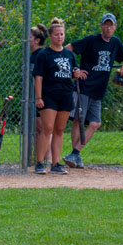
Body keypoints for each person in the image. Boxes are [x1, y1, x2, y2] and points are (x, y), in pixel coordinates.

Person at [63, 12, 123, 169]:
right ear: (101, 26)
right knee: (78, 121)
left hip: (98, 91)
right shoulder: (91, 40)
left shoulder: (115, 43)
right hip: (84, 87)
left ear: (114, 27)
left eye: (111, 25)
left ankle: (74, 153)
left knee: (95, 123)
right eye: (105, 24)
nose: (108, 28)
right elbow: (68, 49)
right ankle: (75, 156)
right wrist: (75, 69)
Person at [33, 18, 86, 174]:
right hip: (49, 94)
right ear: (50, 36)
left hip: (65, 93)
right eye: (56, 35)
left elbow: (72, 72)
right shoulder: (44, 54)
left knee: (59, 129)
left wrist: (76, 74)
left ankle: (55, 164)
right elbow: (38, 77)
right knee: (47, 128)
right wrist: (38, 97)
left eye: (62, 34)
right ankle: (40, 162)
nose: (59, 37)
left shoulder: (68, 54)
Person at [29, 23, 49, 165]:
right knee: (38, 128)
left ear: (37, 40)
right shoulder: (33, 55)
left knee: (43, 128)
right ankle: (39, 159)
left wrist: (39, 96)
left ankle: (47, 159)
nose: (27, 40)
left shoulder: (41, 54)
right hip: (35, 95)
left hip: (43, 95)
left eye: (29, 37)